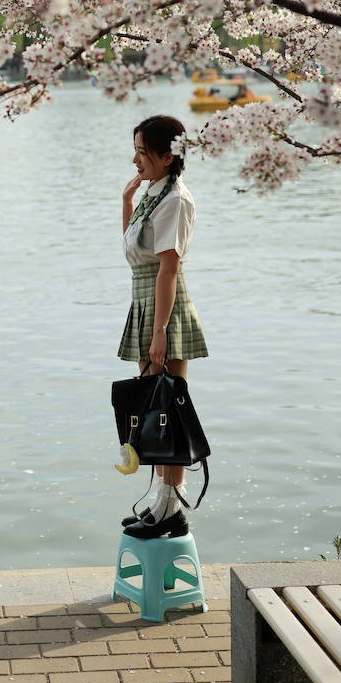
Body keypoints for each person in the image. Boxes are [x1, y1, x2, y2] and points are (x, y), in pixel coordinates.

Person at [118, 115, 210, 539]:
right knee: (151, 411)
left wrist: (160, 331)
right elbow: (136, 252)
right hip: (146, 301)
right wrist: (126, 204)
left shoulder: (175, 199)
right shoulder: (152, 193)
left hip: (164, 308)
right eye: (135, 149)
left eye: (142, 151)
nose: (136, 158)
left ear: (168, 154)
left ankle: (171, 506)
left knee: (167, 412)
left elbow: (168, 268)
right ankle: (161, 502)